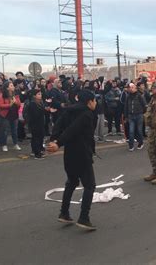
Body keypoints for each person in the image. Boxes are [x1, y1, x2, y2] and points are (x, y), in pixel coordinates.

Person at [47, 90, 98, 230]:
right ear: (89, 102)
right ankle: (84, 218)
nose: (96, 103)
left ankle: (64, 213)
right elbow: (73, 129)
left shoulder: (69, 110)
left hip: (69, 154)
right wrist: (58, 143)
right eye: (94, 101)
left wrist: (54, 139)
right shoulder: (87, 114)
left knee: (72, 182)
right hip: (82, 153)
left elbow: (58, 125)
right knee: (90, 185)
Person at [0, 81, 22, 152]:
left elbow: (19, 104)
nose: (13, 87)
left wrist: (16, 102)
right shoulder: (2, 95)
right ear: (7, 88)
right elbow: (0, 105)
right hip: (5, 115)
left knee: (14, 130)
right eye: (11, 86)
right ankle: (4, 145)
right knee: (5, 131)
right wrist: (9, 104)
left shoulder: (15, 95)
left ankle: (15, 144)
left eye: (13, 86)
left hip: (14, 114)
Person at [124, 83, 146, 151]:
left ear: (135, 88)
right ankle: (131, 145)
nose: (130, 89)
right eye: (129, 88)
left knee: (139, 131)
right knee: (131, 131)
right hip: (131, 116)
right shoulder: (128, 96)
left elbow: (144, 105)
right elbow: (126, 106)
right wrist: (126, 116)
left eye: (132, 87)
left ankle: (141, 143)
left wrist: (142, 112)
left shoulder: (139, 96)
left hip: (139, 115)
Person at [27, 89, 46, 160]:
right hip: (35, 124)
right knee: (36, 138)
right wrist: (43, 110)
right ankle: (37, 153)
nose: (40, 95)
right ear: (34, 96)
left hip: (40, 123)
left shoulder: (40, 103)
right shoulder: (32, 104)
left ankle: (38, 150)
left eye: (40, 94)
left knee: (40, 137)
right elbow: (35, 115)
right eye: (38, 94)